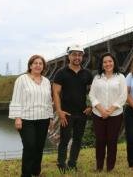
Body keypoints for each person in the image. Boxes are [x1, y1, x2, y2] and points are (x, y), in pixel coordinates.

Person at [9, 55, 54, 177]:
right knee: (29, 146)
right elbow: (16, 99)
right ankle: (26, 174)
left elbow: (49, 101)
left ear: (43, 66)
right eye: (35, 63)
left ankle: (36, 172)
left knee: (39, 147)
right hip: (26, 119)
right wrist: (17, 117)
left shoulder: (46, 81)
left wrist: (50, 117)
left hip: (43, 118)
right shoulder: (22, 79)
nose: (38, 65)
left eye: (40, 63)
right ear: (30, 65)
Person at [53, 44, 93, 173]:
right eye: (74, 54)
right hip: (66, 112)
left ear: (83, 57)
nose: (77, 57)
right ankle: (61, 164)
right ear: (68, 56)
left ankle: (72, 163)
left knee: (78, 139)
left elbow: (94, 92)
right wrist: (59, 111)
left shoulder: (87, 73)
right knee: (64, 139)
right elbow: (56, 93)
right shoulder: (61, 73)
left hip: (82, 113)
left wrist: (91, 106)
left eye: (80, 55)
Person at [89, 52, 127, 172]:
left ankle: (110, 168)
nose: (108, 64)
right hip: (98, 114)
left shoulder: (120, 77)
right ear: (102, 64)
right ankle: (99, 167)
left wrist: (110, 110)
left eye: (110, 61)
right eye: (105, 62)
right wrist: (101, 109)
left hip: (115, 114)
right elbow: (92, 95)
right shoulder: (97, 77)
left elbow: (123, 95)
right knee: (100, 141)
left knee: (112, 140)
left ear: (114, 62)